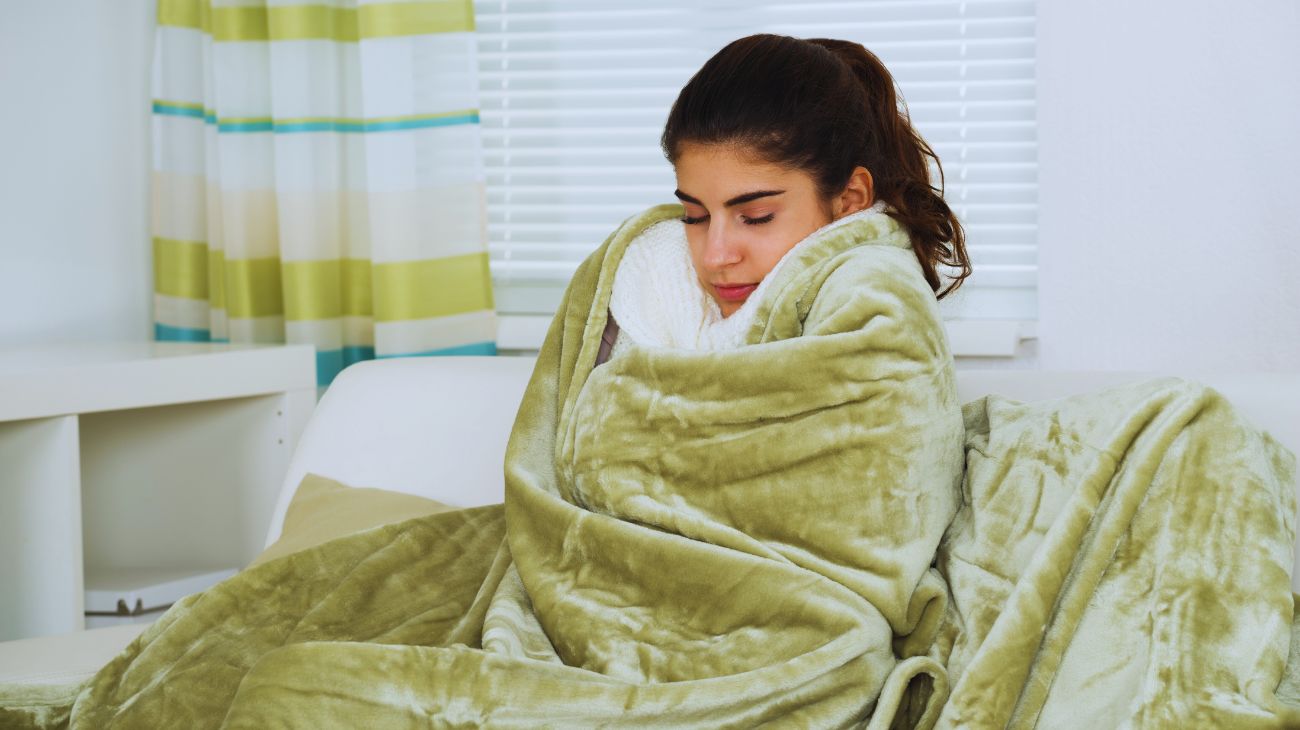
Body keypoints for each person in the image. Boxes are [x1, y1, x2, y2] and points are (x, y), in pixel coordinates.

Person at [596, 33, 972, 367]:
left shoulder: (877, 306)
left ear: (850, 199)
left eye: (756, 216)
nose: (715, 257)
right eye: (696, 216)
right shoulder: (646, 280)